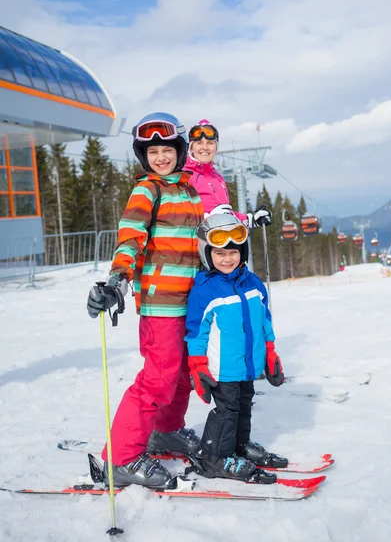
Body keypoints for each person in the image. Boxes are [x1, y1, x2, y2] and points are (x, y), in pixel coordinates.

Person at [86, 112, 203, 489]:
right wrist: (118, 279)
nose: (161, 157)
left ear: (179, 150)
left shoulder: (187, 190)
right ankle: (119, 458)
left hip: (191, 299)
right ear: (144, 157)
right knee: (157, 378)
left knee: (183, 374)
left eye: (167, 149)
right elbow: (131, 237)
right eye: (152, 151)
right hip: (161, 303)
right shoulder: (147, 189)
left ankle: (167, 430)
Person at [185, 213, 287, 482]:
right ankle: (215, 458)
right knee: (227, 410)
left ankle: (238, 448)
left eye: (233, 252)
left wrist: (270, 353)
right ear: (207, 254)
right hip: (222, 368)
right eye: (219, 253)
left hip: (249, 365)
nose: (227, 259)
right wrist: (197, 366)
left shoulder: (252, 282)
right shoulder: (205, 290)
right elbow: (195, 333)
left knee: (244, 405)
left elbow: (264, 320)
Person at [184, 119, 271, 227]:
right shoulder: (184, 175)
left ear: (216, 148)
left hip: (222, 240)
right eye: (199, 143)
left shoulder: (217, 178)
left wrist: (250, 219)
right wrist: (208, 217)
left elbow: (225, 213)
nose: (205, 148)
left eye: (210, 143)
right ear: (191, 148)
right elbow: (175, 215)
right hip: (197, 241)